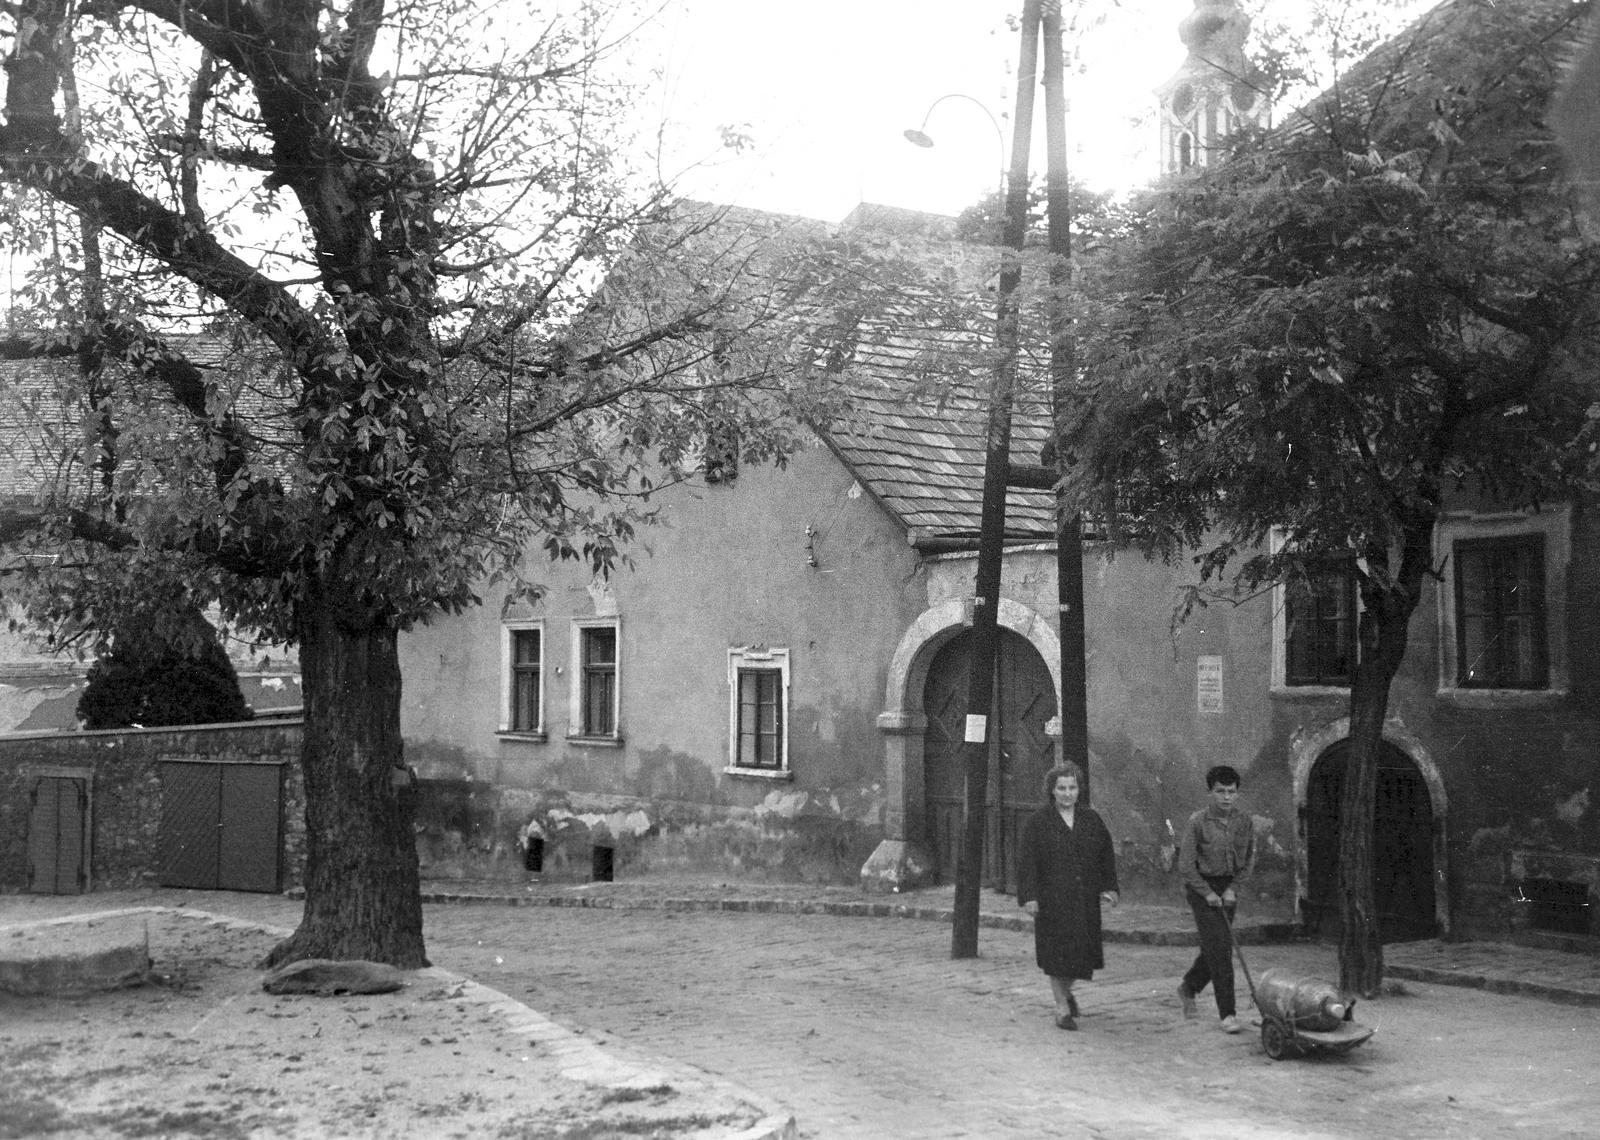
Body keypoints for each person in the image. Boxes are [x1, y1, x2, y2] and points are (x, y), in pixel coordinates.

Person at [1017, 761, 1119, 1030]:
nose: (1067, 793)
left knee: (1082, 956)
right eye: (1061, 788)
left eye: (1072, 788)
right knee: (1056, 956)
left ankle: (1066, 992)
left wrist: (1109, 887)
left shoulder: (1091, 820)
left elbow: (1105, 856)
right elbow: (1027, 862)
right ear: (1051, 790)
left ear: (1079, 790)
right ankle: (1061, 1008)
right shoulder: (1038, 822)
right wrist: (1029, 896)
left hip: (1084, 899)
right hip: (1052, 901)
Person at [1175, 764, 1255, 1034]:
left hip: (1229, 887)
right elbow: (1186, 865)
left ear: (1237, 793)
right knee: (1221, 951)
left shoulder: (1245, 822)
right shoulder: (1197, 822)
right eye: (1220, 791)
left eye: (1231, 792)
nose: (1226, 797)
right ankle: (1228, 1014)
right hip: (1202, 889)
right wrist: (1207, 893)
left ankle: (1189, 987)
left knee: (1215, 948)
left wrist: (1234, 889)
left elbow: (1249, 861)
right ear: (1210, 792)